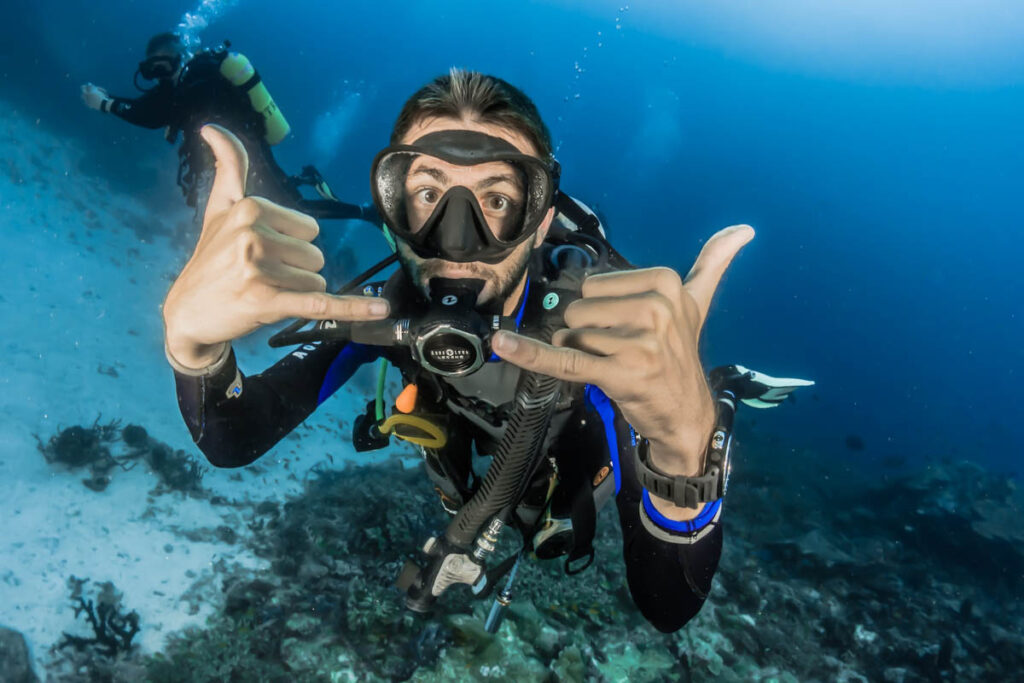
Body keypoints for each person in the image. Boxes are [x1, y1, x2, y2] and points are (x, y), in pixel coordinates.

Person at [161, 69, 809, 633]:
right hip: (478, 493)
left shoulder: (597, 335)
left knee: (689, 401)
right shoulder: (385, 306)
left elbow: (668, 603)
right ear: (392, 208)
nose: (458, 236)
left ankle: (718, 389)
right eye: (426, 193)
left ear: (541, 220)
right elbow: (233, 436)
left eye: (499, 198)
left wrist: (684, 449)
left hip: (565, 488)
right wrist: (193, 347)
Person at [81, 32, 370, 223]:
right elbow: (151, 107)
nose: (158, 78)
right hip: (236, 156)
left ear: (178, 59)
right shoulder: (184, 82)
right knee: (256, 202)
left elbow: (152, 115)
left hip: (248, 152)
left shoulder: (198, 79)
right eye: (151, 71)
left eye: (162, 68)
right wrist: (109, 99)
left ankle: (366, 213)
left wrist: (106, 105)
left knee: (294, 209)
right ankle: (304, 178)